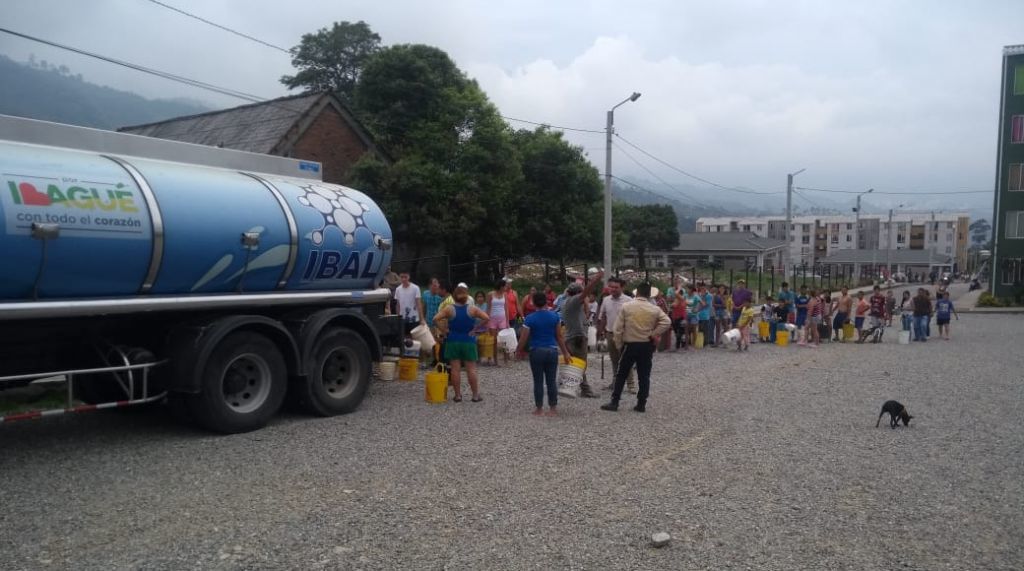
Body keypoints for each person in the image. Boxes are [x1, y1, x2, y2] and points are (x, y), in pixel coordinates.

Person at [600, 282, 672, 413]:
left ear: (637, 292)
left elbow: (617, 329)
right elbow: (667, 322)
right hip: (646, 345)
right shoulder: (654, 309)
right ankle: (641, 404)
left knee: (621, 374)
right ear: (649, 294)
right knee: (644, 375)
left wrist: (619, 344)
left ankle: (615, 402)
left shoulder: (627, 306)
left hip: (630, 344)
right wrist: (654, 333)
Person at [516, 292, 572, 416]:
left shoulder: (530, 318)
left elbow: (523, 338)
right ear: (546, 302)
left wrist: (518, 350)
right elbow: (559, 337)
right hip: (552, 350)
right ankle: (553, 408)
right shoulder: (554, 317)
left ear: (533, 303)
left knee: (538, 381)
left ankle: (539, 408)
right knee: (551, 381)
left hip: (536, 351)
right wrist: (566, 353)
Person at [433, 284, 490, 402]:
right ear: (466, 296)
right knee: (471, 369)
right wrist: (475, 329)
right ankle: (475, 395)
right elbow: (486, 318)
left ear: (454, 296)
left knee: (455, 369)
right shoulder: (472, 308)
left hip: (453, 340)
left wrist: (444, 330)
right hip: (468, 341)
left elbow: (435, 319)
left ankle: (458, 395)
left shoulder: (449, 308)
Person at [560, 272, 605, 398]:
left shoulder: (567, 303)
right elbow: (586, 292)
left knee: (574, 363)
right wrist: (596, 280)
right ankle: (585, 390)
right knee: (581, 365)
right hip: (577, 338)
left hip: (571, 337)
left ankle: (568, 385)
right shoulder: (574, 301)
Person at [596, 277, 637, 394]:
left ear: (622, 287)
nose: (612, 289)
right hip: (610, 333)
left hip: (624, 334)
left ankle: (631, 384)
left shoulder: (629, 300)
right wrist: (600, 332)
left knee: (626, 360)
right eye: (611, 287)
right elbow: (603, 316)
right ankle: (615, 381)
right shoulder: (606, 300)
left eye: (615, 287)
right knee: (614, 360)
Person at [486, 280, 511, 366]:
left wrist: (507, 321)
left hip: (502, 318)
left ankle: (505, 359)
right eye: (505, 286)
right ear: (501, 286)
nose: (506, 288)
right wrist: (486, 320)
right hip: (492, 319)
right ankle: (496, 360)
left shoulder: (505, 295)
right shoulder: (490, 294)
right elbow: (488, 308)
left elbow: (506, 308)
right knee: (494, 340)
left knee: (504, 340)